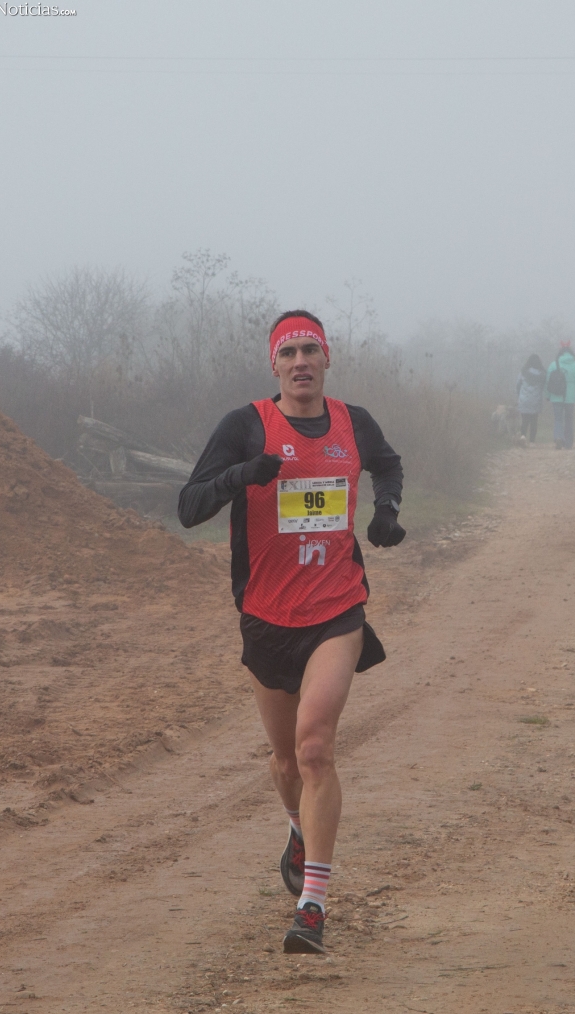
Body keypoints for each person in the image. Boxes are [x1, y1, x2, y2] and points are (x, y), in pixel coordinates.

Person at [178, 310, 404, 954]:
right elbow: (188, 507)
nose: (301, 361)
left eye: (311, 349)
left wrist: (386, 511)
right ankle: (296, 828)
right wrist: (242, 475)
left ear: (327, 360)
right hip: (266, 617)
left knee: (313, 750)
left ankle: (313, 904)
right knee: (283, 763)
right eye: (289, 352)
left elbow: (388, 465)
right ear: (273, 365)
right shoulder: (245, 426)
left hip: (337, 611)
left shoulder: (353, 422)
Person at [545, 342, 575, 449]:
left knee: (558, 418)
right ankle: (568, 443)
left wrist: (548, 395)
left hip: (556, 396)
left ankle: (558, 437)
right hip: (570, 397)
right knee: (569, 419)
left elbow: (548, 382)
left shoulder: (553, 364)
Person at [515, 354, 546, 443]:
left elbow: (518, 385)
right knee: (534, 421)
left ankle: (523, 438)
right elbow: (543, 387)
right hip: (536, 400)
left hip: (524, 399)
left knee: (524, 420)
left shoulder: (523, 372)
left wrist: (519, 395)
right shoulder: (542, 374)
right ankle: (532, 441)